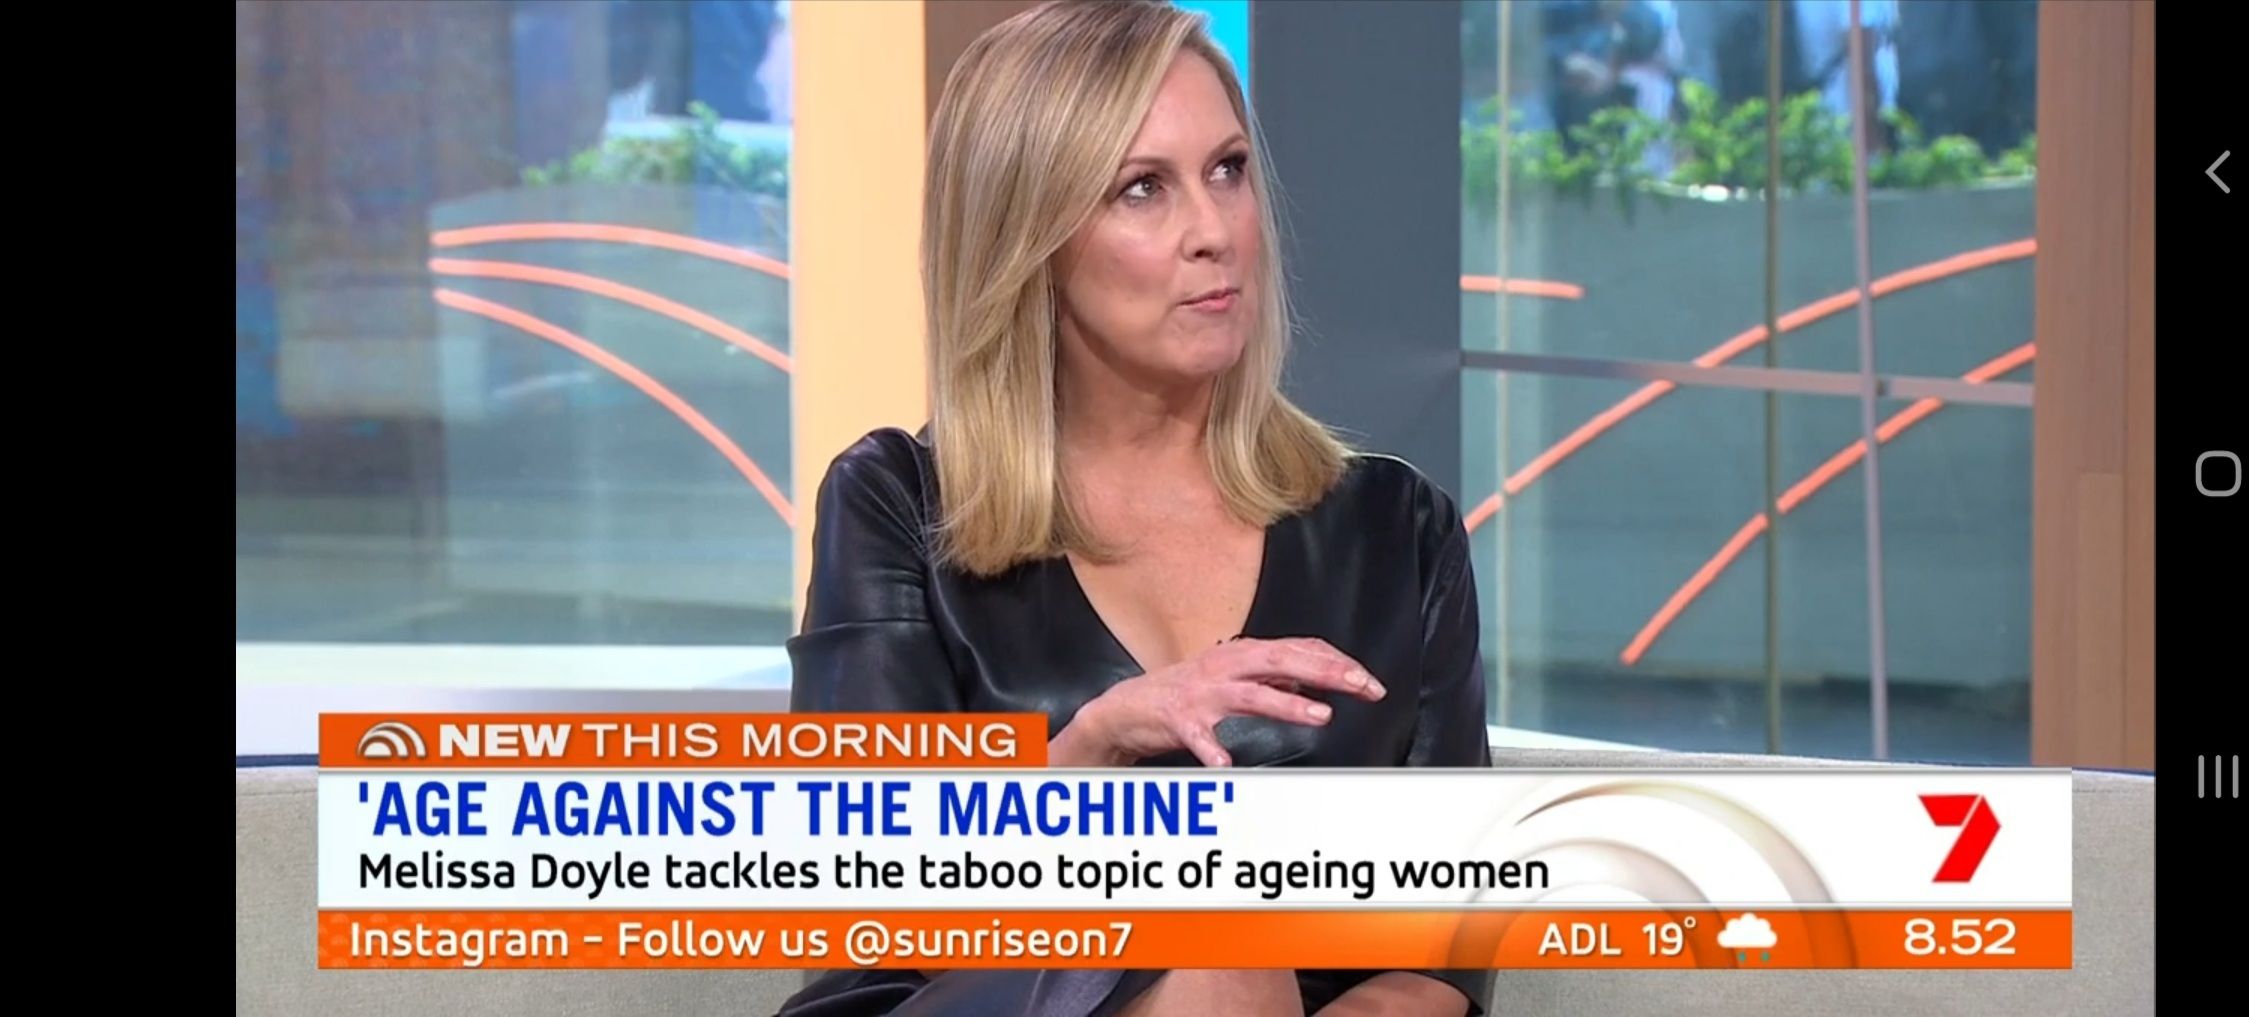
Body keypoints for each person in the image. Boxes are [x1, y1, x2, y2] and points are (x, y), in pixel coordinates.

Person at [780, 2, 1493, 1015]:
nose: (1212, 232)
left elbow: (1440, 950)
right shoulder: (897, 503)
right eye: (1141, 189)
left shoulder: (1397, 528)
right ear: (1027, 236)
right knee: (1211, 945)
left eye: (1227, 170)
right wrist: (1090, 747)